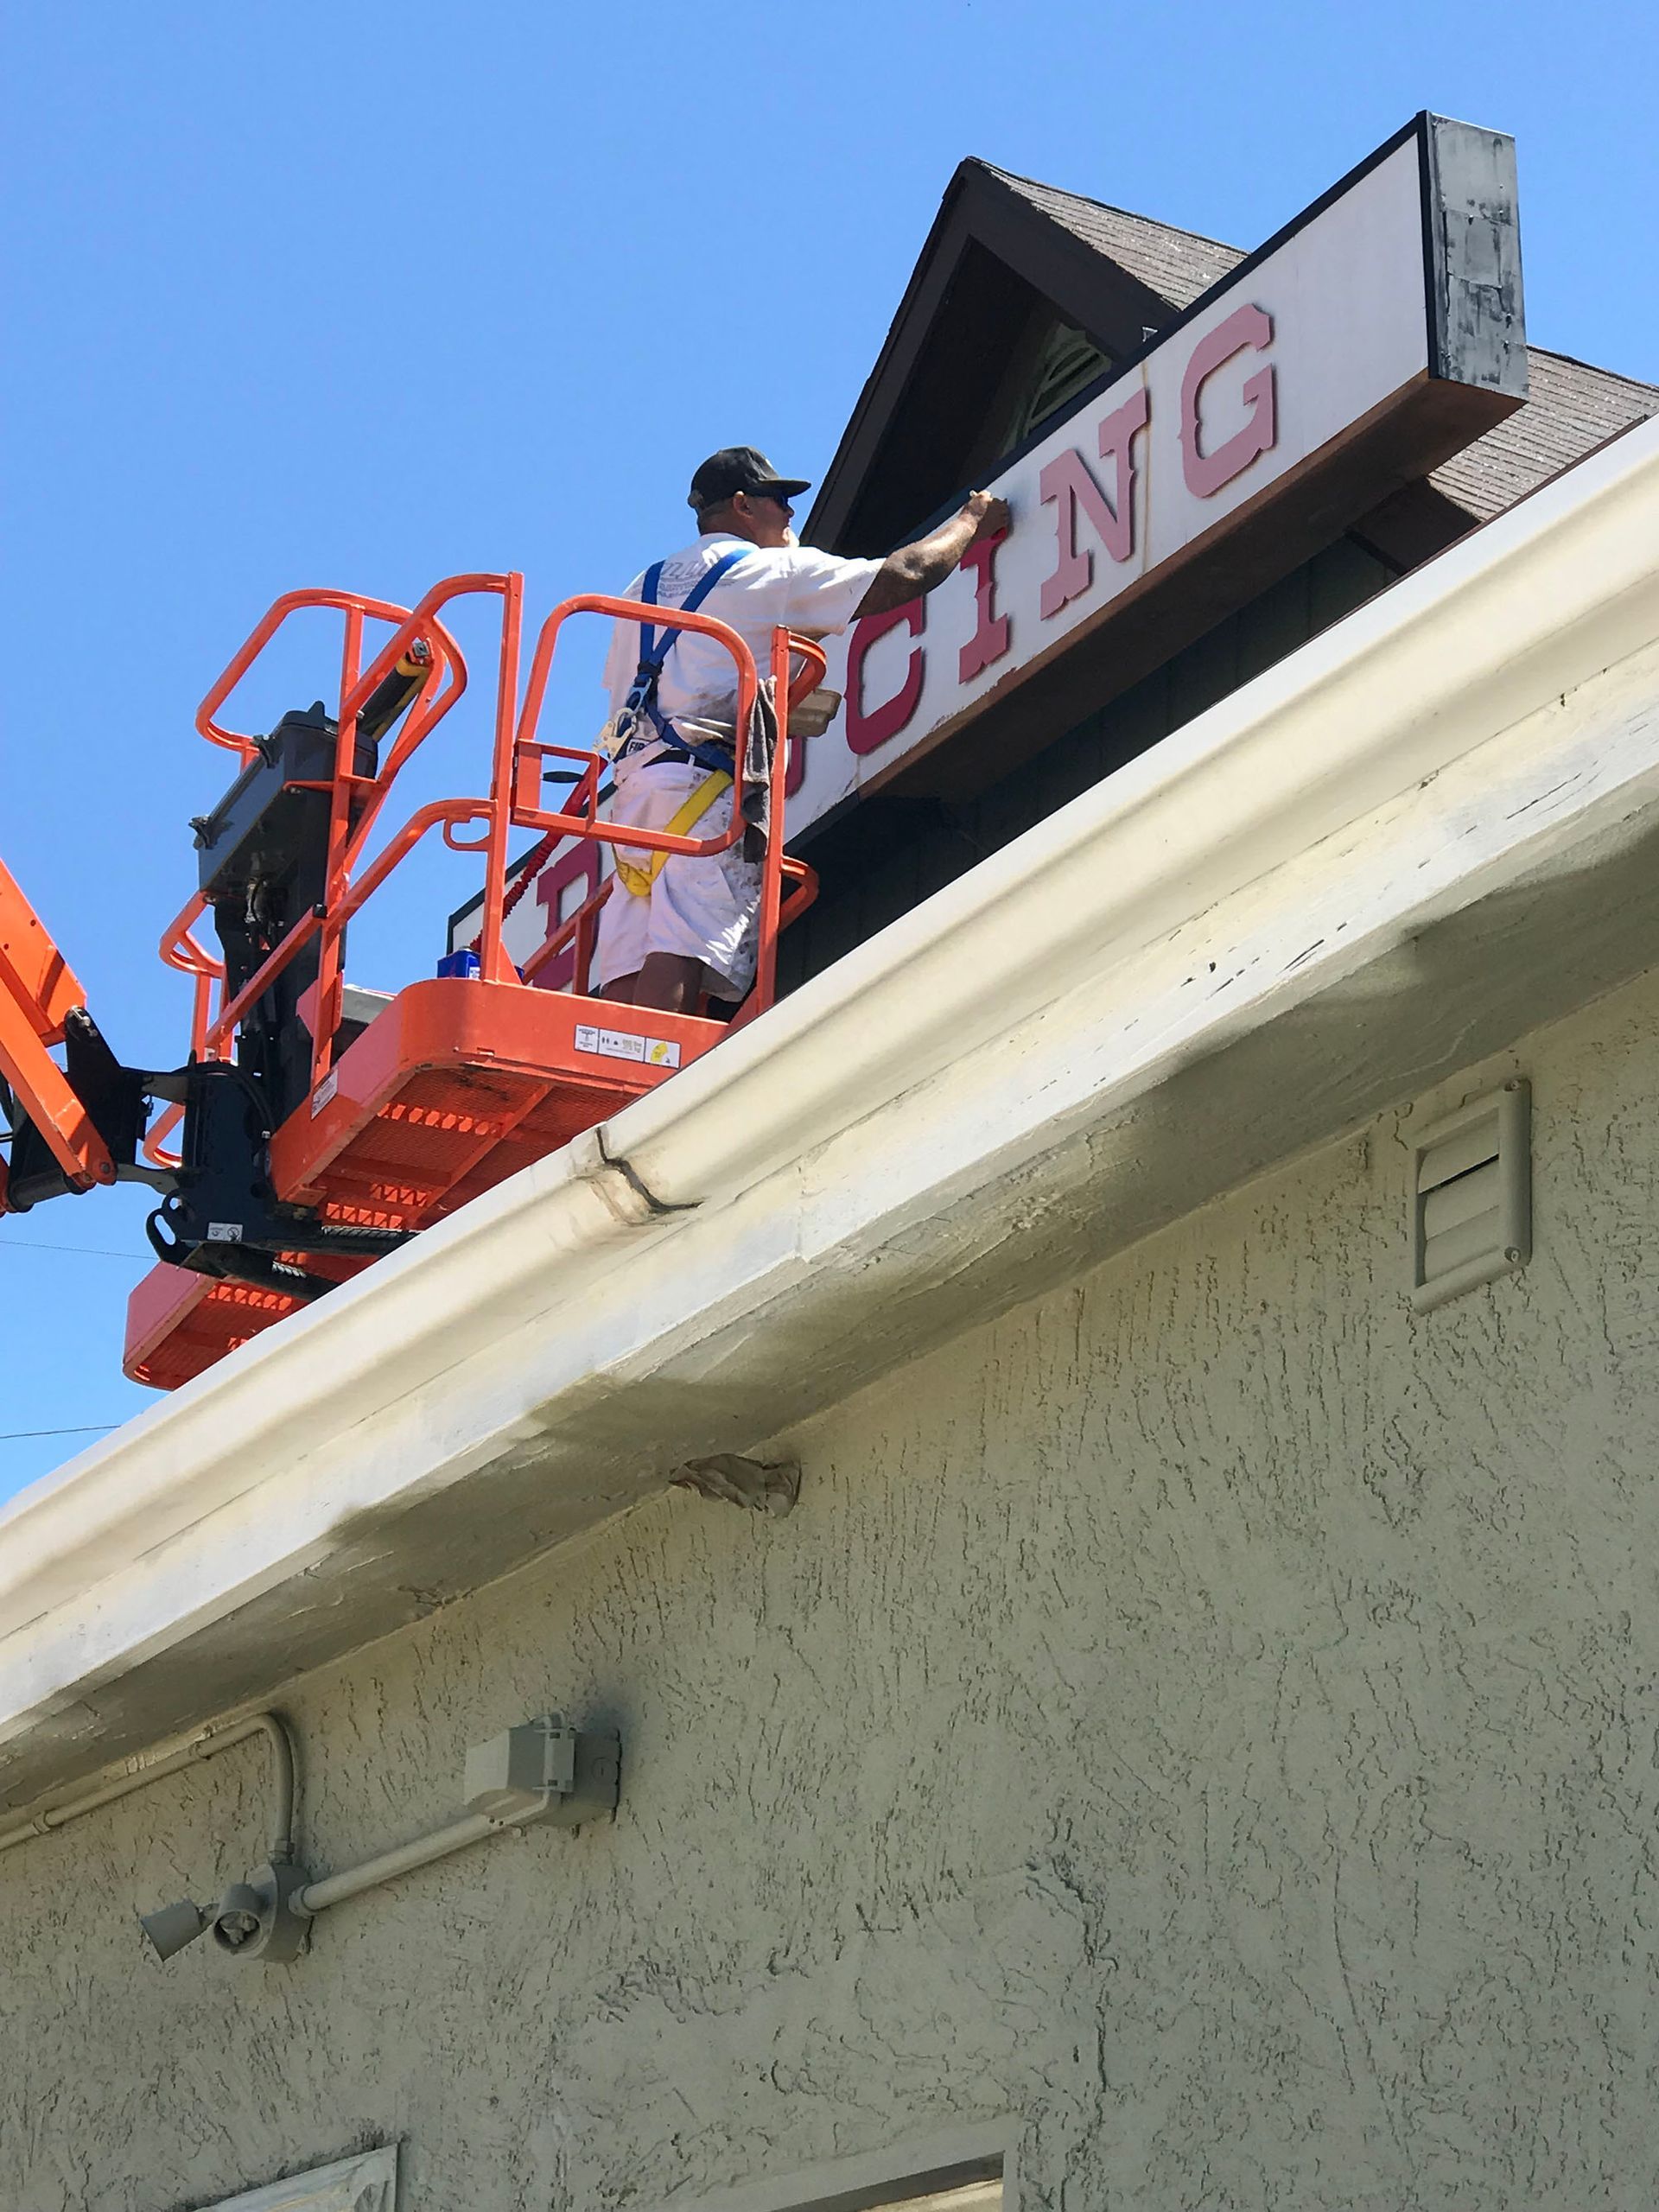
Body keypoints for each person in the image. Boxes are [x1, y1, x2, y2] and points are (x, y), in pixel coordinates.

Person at [594, 445, 1011, 1014]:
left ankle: (615, 1077)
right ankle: (653, 1075)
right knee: (683, 942)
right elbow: (903, 575)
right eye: (778, 501)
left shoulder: (640, 588)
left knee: (631, 951)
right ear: (742, 505)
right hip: (703, 789)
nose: (790, 515)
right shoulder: (765, 572)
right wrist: (974, 520)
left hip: (636, 794)